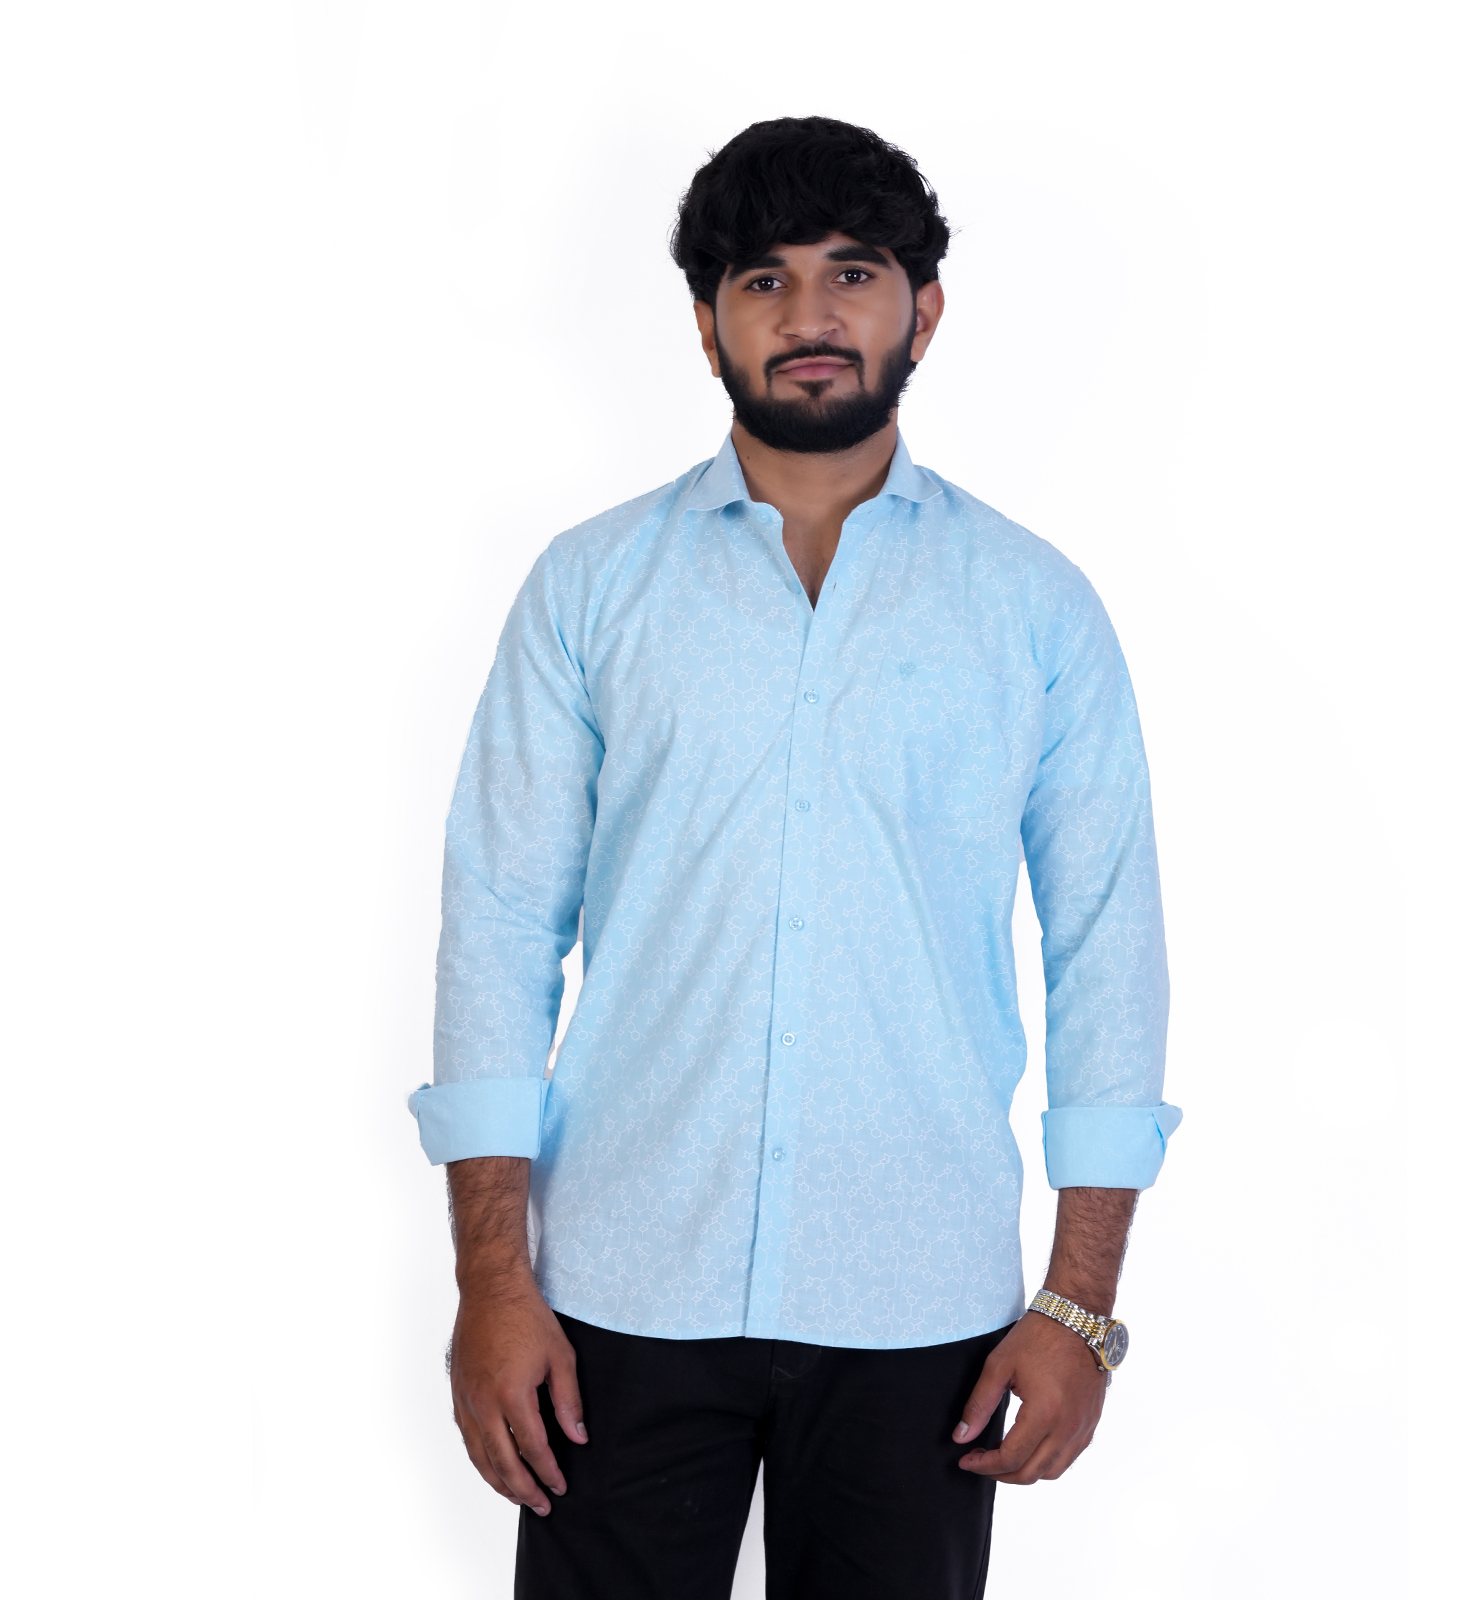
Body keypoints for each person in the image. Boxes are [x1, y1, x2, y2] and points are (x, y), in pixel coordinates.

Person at [408, 115, 1181, 1600]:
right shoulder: (590, 588)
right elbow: (499, 924)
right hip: (619, 1294)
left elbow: (1107, 945)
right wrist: (494, 1281)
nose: (810, 315)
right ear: (707, 326)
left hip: (922, 1309)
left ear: (923, 312)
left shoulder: (1035, 608)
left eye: (853, 273)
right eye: (762, 280)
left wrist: (1078, 1305)